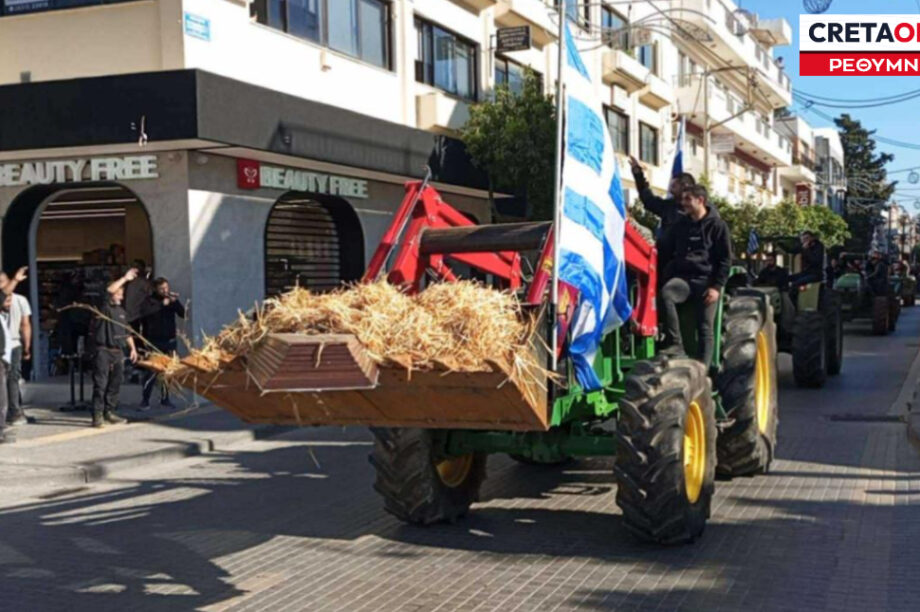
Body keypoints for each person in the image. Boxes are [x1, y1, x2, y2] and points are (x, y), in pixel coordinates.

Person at [658, 185, 733, 369]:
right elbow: (664, 248)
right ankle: (675, 344)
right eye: (683, 199)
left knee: (705, 326)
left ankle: (703, 371)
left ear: (700, 201)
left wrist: (716, 287)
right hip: (683, 280)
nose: (683, 203)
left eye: (688, 199)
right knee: (667, 293)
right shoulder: (680, 226)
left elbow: (725, 259)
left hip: (706, 282)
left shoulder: (718, 226)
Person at [628, 156, 697, 272]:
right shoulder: (669, 206)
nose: (670, 188)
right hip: (665, 263)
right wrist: (638, 174)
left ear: (685, 186)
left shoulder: (701, 211)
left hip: (688, 267)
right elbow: (648, 200)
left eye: (674, 185)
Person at [90, 268, 139, 428]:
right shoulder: (104, 308)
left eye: (121, 294)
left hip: (118, 352)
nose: (121, 297)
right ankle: (97, 414)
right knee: (101, 384)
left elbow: (127, 332)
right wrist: (125, 278)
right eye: (119, 294)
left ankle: (109, 411)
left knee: (115, 384)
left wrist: (133, 349)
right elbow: (108, 290)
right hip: (103, 350)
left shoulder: (121, 312)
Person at [139, 277, 185, 410]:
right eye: (162, 289)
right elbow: (145, 313)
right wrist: (161, 305)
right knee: (152, 371)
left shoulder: (170, 299)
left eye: (166, 288)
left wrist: (175, 302)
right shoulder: (149, 301)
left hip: (169, 340)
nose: (165, 291)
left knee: (168, 370)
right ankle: (145, 400)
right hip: (155, 341)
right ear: (156, 289)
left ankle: (165, 398)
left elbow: (183, 314)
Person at [0, 269, 32, 427]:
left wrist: (27, 346)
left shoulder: (19, 300)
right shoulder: (19, 300)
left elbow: (25, 325)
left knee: (11, 378)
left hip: (13, 343)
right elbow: (25, 325)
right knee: (11, 379)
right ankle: (13, 411)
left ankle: (13, 410)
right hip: (8, 345)